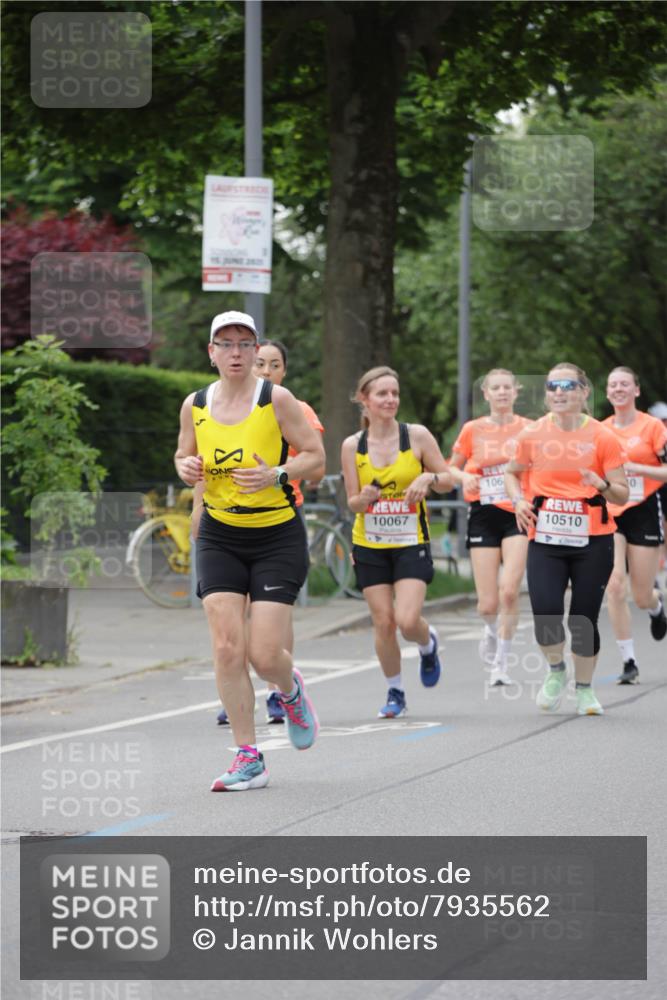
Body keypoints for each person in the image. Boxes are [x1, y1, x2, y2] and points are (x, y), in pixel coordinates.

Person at [174, 311, 325, 791]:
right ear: (212, 352)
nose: (236, 353)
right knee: (225, 646)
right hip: (220, 534)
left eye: (245, 344)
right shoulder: (194, 404)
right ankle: (248, 756)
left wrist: (277, 474)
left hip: (277, 535)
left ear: (255, 351)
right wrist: (186, 467)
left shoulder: (275, 399)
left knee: (263, 655)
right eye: (227, 344)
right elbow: (182, 455)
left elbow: (314, 457)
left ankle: (290, 689)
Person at [504, 362, 628, 716]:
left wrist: (600, 483)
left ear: (583, 392)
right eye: (552, 386)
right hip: (546, 539)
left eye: (567, 385)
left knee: (583, 619)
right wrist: (518, 500)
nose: (559, 392)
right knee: (545, 614)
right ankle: (557, 670)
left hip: (593, 540)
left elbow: (621, 495)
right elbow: (512, 475)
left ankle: (586, 690)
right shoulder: (532, 434)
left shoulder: (604, 437)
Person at [340, 366, 453, 719]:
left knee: (406, 620)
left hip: (410, 540)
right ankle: (396, 691)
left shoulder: (416, 436)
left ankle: (427, 642)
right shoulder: (352, 446)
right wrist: (366, 498)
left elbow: (449, 479)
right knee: (383, 622)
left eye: (395, 393)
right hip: (369, 543)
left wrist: (429, 478)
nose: (390, 400)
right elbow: (352, 502)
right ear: (365, 400)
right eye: (382, 394)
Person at [449, 369, 531, 686]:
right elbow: (449, 467)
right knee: (488, 603)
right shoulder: (473, 430)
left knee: (509, 591)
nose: (501, 393)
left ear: (516, 391)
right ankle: (489, 631)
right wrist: (464, 477)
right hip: (483, 513)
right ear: (485, 394)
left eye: (506, 387)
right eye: (494, 388)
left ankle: (501, 664)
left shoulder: (528, 428)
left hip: (517, 513)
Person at [603, 370, 667, 683]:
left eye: (624, 384)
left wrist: (636, 468)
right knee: (614, 586)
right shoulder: (600, 430)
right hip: (612, 511)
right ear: (607, 393)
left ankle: (656, 606)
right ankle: (629, 661)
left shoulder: (652, 427)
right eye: (613, 385)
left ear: (636, 391)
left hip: (643, 508)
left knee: (641, 596)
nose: (619, 389)